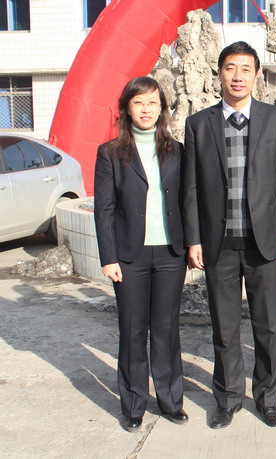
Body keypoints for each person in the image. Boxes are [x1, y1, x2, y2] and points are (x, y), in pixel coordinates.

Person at [182, 41, 276, 428]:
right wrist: (194, 239)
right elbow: (191, 188)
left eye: (246, 69)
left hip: (264, 241)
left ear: (257, 75)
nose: (238, 76)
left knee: (268, 327)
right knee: (225, 327)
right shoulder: (199, 124)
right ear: (219, 73)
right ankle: (228, 398)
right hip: (219, 244)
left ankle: (267, 398)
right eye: (230, 68)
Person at [94, 76, 188, 432]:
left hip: (170, 254)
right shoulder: (110, 152)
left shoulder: (176, 150)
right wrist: (108, 257)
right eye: (138, 102)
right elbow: (104, 208)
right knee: (133, 330)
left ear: (161, 108)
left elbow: (187, 200)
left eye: (152, 102)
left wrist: (192, 244)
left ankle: (170, 400)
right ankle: (133, 404)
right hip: (129, 257)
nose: (146, 109)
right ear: (127, 108)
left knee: (166, 329)